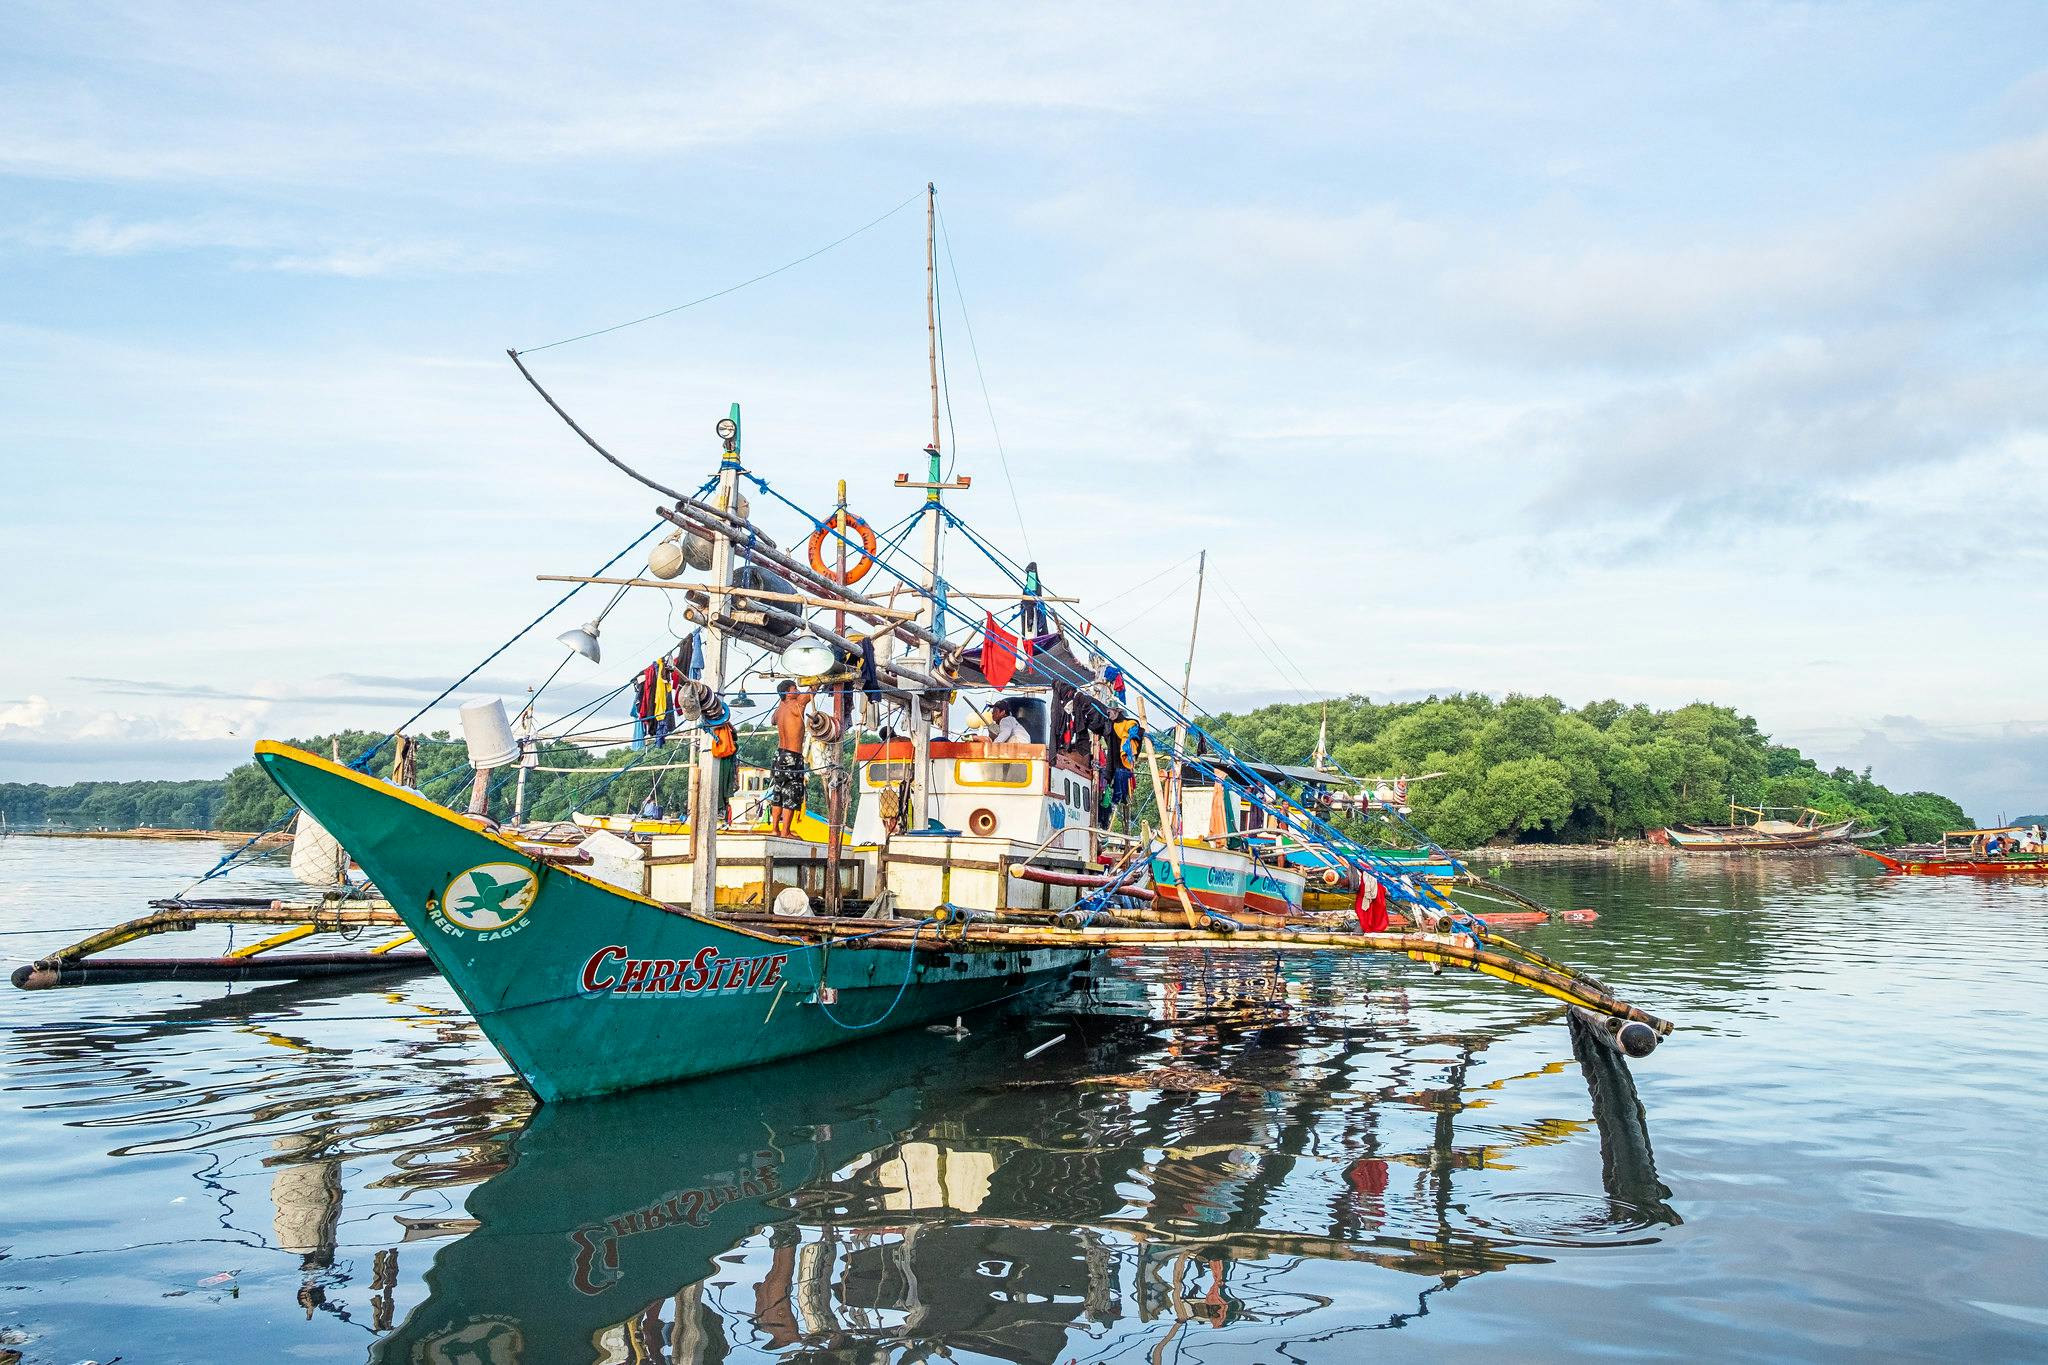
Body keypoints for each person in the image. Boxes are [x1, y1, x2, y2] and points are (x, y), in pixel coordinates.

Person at [770, 681, 810, 839]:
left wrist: (782, 700)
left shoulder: (779, 709)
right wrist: (817, 682)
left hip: (778, 755)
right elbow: (812, 691)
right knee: (792, 792)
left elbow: (773, 720)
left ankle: (775, 829)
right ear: (788, 693)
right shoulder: (797, 704)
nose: (798, 690)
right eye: (795, 688)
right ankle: (785, 831)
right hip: (793, 756)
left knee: (778, 792)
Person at [1020, 561, 1045, 636]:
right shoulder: (1028, 586)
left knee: (1030, 607)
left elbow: (1037, 594)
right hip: (1027, 606)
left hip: (1034, 606)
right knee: (1028, 607)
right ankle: (1029, 624)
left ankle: (1030, 623)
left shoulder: (1036, 583)